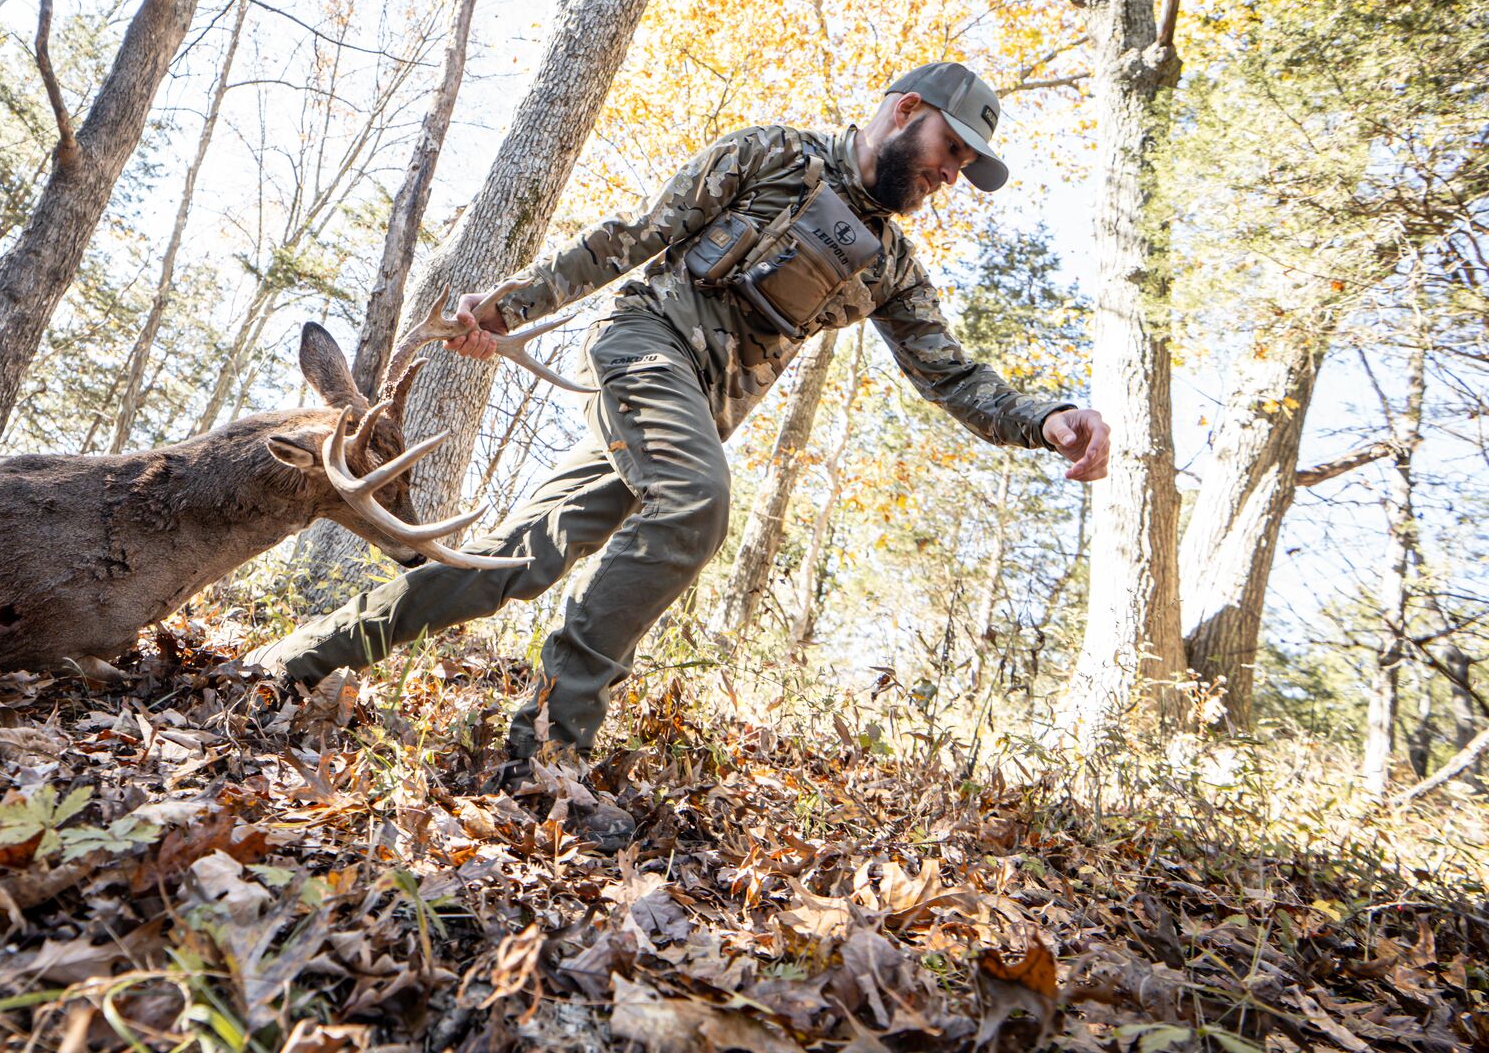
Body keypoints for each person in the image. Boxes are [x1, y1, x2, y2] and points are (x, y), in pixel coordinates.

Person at [249, 61, 1110, 771]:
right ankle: (547, 748)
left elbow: (951, 375)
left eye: (965, 167)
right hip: (640, 348)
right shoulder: (773, 155)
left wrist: (1047, 418)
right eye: (950, 149)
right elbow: (634, 236)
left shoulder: (891, 267)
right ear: (906, 109)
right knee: (697, 503)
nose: (951, 175)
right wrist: (511, 306)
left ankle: (291, 664)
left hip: (688, 413)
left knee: (507, 563)